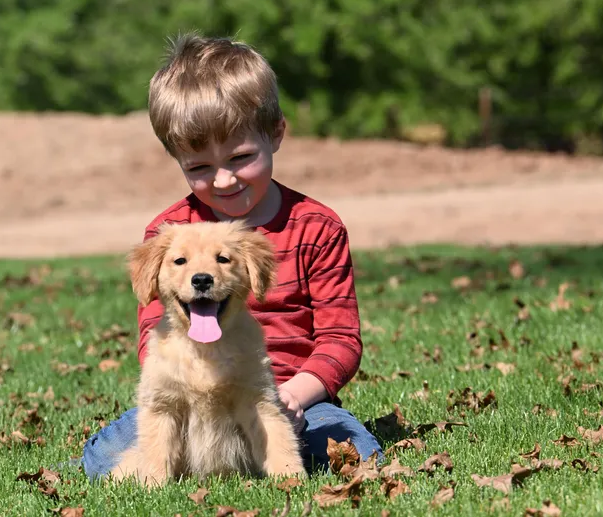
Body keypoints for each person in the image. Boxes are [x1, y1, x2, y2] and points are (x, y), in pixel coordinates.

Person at [79, 32, 383, 480]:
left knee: (355, 452)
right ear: (176, 158)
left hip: (288, 398)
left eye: (240, 157)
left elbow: (341, 339)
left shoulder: (318, 227)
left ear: (276, 133)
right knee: (107, 456)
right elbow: (152, 330)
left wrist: (296, 395)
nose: (223, 180)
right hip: (186, 399)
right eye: (199, 167)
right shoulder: (169, 233)